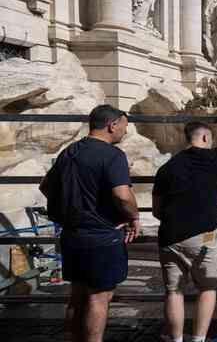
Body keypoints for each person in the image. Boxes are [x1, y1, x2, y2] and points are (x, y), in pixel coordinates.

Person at [152, 107, 217, 342]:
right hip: (204, 237)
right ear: (206, 137)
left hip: (170, 236)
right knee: (207, 289)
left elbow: (157, 210)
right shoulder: (216, 158)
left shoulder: (167, 168)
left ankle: (176, 339)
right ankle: (198, 339)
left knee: (173, 291)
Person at [40, 104, 139, 342]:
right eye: (124, 127)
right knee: (98, 297)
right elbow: (122, 195)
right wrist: (133, 217)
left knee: (77, 296)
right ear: (112, 125)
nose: (124, 132)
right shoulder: (113, 155)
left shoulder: (70, 151)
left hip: (72, 235)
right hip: (102, 237)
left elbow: (45, 187)